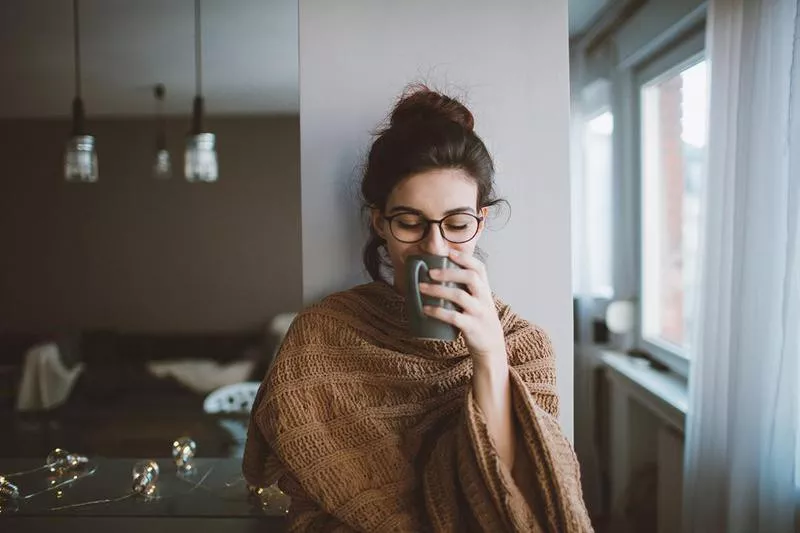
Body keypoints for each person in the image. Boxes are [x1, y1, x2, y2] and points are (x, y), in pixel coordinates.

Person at [243, 86, 592, 532]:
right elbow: (268, 474)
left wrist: (489, 356)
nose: (434, 245)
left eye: (457, 224)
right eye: (409, 222)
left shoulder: (525, 345)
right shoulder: (321, 333)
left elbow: (522, 504)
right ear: (380, 222)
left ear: (480, 223)